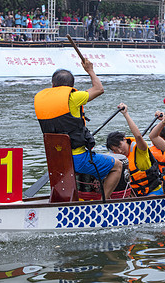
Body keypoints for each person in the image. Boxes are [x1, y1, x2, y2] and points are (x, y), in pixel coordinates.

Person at [34, 59, 122, 200]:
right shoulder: (74, 97)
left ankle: (71, 198)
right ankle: (102, 204)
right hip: (77, 158)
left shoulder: (40, 100)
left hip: (56, 159)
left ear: (52, 84)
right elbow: (99, 89)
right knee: (117, 166)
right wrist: (90, 70)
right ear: (71, 86)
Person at [106, 103, 163, 197]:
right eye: (115, 150)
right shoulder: (117, 158)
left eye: (119, 146)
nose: (120, 151)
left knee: (148, 201)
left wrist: (125, 114)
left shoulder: (139, 148)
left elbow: (138, 136)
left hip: (153, 191)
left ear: (124, 139)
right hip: (134, 194)